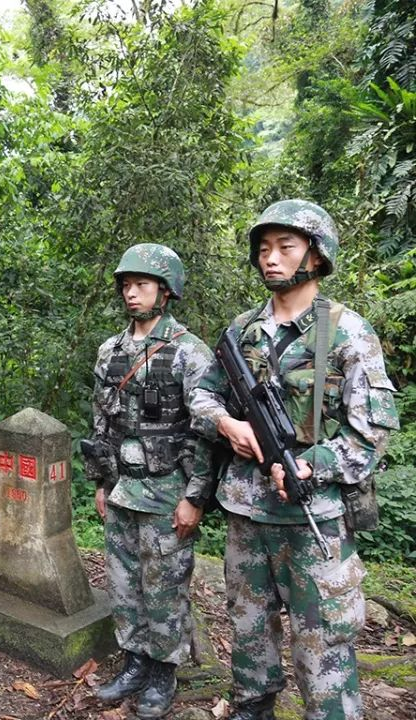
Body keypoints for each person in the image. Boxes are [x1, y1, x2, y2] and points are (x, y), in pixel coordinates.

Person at [189, 200, 399, 720]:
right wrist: (228, 424)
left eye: (285, 247)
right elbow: (201, 396)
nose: (271, 259)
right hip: (247, 513)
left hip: (314, 518)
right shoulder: (241, 330)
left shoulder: (348, 332)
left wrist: (314, 465)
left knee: (323, 640)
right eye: (264, 250)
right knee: (248, 623)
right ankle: (252, 705)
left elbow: (371, 433)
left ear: (317, 255)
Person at [84, 244, 215, 718]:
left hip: (166, 492)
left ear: (166, 290)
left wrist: (194, 497)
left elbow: (206, 432)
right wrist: (100, 482)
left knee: (164, 586)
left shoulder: (189, 352)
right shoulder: (111, 350)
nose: (131, 293)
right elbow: (102, 421)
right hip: (123, 487)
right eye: (126, 285)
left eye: (141, 284)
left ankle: (164, 672)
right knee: (123, 583)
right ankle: (135, 661)